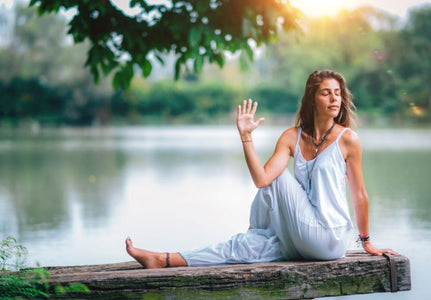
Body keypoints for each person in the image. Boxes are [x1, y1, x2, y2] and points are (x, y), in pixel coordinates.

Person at [125, 69, 397, 268]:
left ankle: (256, 232)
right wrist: (246, 138)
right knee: (239, 247)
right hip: (302, 234)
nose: (334, 99)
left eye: (337, 93)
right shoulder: (292, 136)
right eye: (326, 92)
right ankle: (164, 259)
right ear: (312, 98)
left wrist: (366, 241)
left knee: (274, 182)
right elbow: (260, 179)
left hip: (330, 238)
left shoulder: (347, 138)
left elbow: (359, 194)